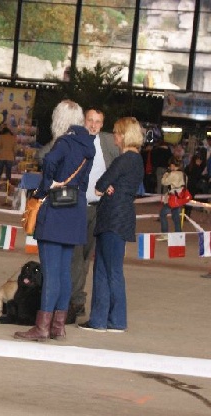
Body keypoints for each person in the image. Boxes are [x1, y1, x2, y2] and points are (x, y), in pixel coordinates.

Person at [15, 100, 94, 342]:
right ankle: (58, 326)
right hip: (76, 208)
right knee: (64, 273)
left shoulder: (64, 142)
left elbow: (48, 160)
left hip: (56, 209)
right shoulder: (88, 145)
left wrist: (47, 184)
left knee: (50, 272)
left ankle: (41, 327)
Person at [78, 117, 144, 333]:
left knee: (105, 271)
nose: (114, 136)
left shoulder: (122, 160)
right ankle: (111, 320)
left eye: (116, 132)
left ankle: (105, 320)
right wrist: (110, 187)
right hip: (124, 217)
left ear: (124, 135)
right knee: (112, 269)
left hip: (111, 218)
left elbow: (99, 186)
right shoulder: (138, 160)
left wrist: (107, 187)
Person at [66, 108, 121, 323]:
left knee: (86, 257)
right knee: (75, 256)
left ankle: (77, 301)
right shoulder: (73, 140)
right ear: (83, 121)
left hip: (99, 208)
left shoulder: (108, 143)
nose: (93, 125)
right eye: (90, 120)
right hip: (76, 206)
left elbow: (125, 163)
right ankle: (72, 301)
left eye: (98, 122)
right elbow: (45, 155)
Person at [158, 157, 187, 238]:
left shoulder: (173, 174)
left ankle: (165, 234)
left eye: (170, 165)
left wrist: (166, 174)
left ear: (173, 165)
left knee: (162, 214)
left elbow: (164, 182)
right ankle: (179, 234)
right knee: (175, 216)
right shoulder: (184, 174)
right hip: (181, 198)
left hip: (173, 198)